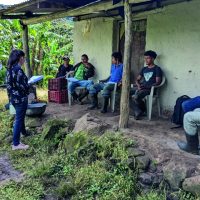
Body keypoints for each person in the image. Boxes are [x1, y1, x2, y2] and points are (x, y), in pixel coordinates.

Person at [6, 49, 30, 150]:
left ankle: (23, 132)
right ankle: (16, 144)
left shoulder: (10, 69)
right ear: (20, 58)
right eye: (23, 57)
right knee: (19, 119)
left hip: (13, 98)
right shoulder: (18, 70)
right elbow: (23, 86)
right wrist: (29, 84)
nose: (24, 59)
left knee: (20, 116)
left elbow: (9, 85)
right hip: (20, 98)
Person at [131, 50, 163, 120]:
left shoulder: (157, 69)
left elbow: (158, 82)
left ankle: (139, 112)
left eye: (147, 58)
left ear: (153, 59)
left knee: (136, 96)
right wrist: (139, 86)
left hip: (150, 90)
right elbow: (137, 79)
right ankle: (140, 111)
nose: (146, 60)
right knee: (126, 93)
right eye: (145, 58)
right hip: (142, 88)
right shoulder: (144, 69)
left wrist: (147, 87)